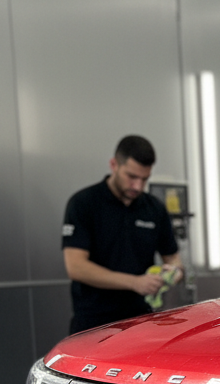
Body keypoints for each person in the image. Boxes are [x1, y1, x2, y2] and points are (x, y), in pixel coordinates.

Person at [62, 135, 183, 333]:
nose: (138, 186)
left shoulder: (154, 209)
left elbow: (174, 259)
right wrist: (135, 283)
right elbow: (76, 267)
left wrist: (173, 273)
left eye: (144, 179)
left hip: (141, 321)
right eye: (131, 177)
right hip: (94, 323)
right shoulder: (84, 203)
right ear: (114, 165)